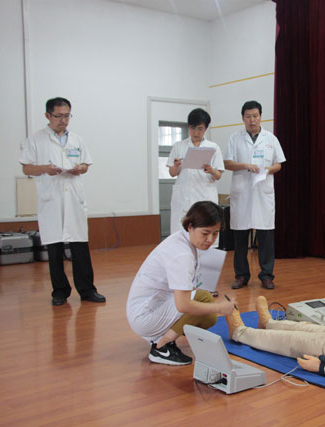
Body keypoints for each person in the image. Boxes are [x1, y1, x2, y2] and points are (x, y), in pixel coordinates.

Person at [126, 201, 237, 365]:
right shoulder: (181, 254)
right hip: (144, 316)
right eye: (205, 233)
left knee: (205, 307)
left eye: (215, 234)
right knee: (205, 303)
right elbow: (183, 305)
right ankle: (161, 346)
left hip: (149, 306)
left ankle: (165, 337)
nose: (210, 239)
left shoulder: (182, 239)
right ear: (190, 227)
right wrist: (221, 308)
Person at [19, 97, 105, 306]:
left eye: (67, 116)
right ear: (48, 115)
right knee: (54, 248)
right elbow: (26, 168)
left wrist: (80, 169)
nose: (63, 120)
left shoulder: (76, 139)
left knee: (80, 246)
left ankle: (87, 290)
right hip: (52, 199)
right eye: (58, 116)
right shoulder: (35, 140)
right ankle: (59, 291)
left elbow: (86, 164)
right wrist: (45, 169)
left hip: (74, 198)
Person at [224, 101, 286, 290]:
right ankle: (241, 275)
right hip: (242, 193)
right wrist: (245, 165)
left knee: (265, 238)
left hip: (262, 193)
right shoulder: (235, 138)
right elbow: (227, 163)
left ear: (261, 117)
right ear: (243, 118)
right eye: (248, 116)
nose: (252, 120)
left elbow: (279, 164)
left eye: (255, 116)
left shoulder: (271, 139)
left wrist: (268, 170)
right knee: (240, 239)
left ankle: (266, 276)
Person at [167, 108, 225, 235]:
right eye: (193, 128)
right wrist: (176, 165)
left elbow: (218, 175)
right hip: (183, 197)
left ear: (206, 128)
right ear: (189, 127)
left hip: (204, 195)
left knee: (204, 232)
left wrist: (211, 170)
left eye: (200, 129)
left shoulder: (213, 147)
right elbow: (172, 173)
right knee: (181, 234)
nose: (196, 132)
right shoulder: (179, 146)